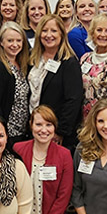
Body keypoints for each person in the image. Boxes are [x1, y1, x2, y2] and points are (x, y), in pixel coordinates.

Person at [12, 106, 73, 214]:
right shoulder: (18, 149)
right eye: (39, 124)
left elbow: (64, 197)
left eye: (49, 125)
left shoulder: (64, 155)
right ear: (31, 126)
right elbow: (13, 192)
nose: (44, 130)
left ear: (54, 127)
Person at [28, 14, 83, 150]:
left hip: (54, 133)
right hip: (32, 128)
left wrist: (60, 131)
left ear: (62, 34)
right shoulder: (32, 58)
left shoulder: (69, 62)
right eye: (45, 30)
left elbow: (73, 100)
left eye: (53, 31)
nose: (48, 35)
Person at [0, 21, 30, 143]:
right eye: (10, 41)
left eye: (18, 41)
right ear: (1, 42)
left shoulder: (22, 66)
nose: (15, 45)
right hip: (6, 135)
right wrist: (0, 133)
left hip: (21, 133)